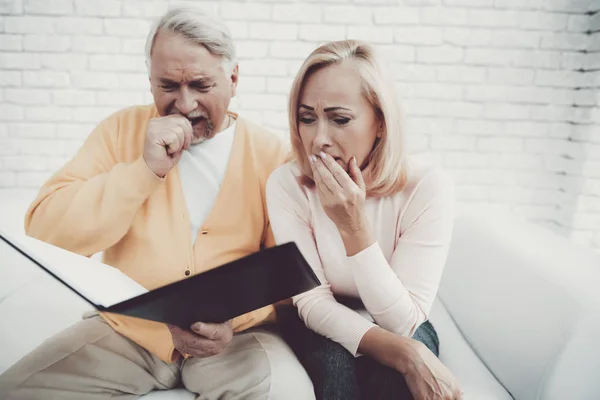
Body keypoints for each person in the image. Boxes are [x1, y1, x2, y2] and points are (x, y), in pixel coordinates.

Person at [0, 7, 315, 400]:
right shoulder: (120, 131)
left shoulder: (273, 155)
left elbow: (288, 269)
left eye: (201, 85)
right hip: (130, 332)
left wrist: (233, 321)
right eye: (168, 86)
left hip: (237, 339)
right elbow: (46, 231)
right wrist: (143, 170)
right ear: (150, 82)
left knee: (289, 394)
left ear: (233, 79)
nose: (184, 105)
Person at [266, 40, 463, 400]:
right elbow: (312, 304)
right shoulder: (286, 184)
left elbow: (405, 322)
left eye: (340, 120)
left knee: (396, 385)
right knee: (335, 376)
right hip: (320, 321)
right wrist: (408, 353)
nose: (319, 140)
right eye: (307, 118)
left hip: (399, 321)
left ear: (381, 124)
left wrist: (353, 226)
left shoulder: (427, 186)